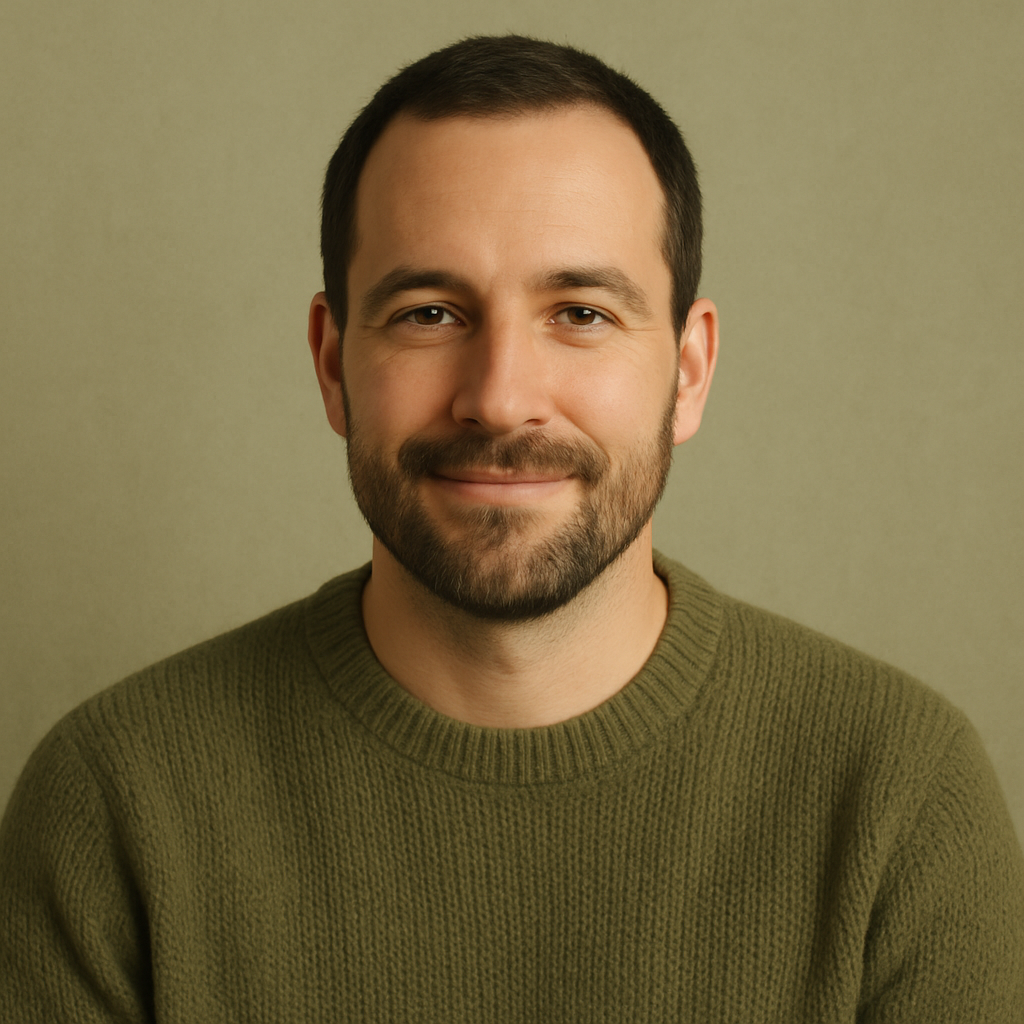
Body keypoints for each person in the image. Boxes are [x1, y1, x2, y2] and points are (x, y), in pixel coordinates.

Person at [1, 34, 1021, 1023]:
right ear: (330, 364)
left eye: (579, 312)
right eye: (429, 313)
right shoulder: (114, 805)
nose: (499, 398)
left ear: (689, 371)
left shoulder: (895, 797)